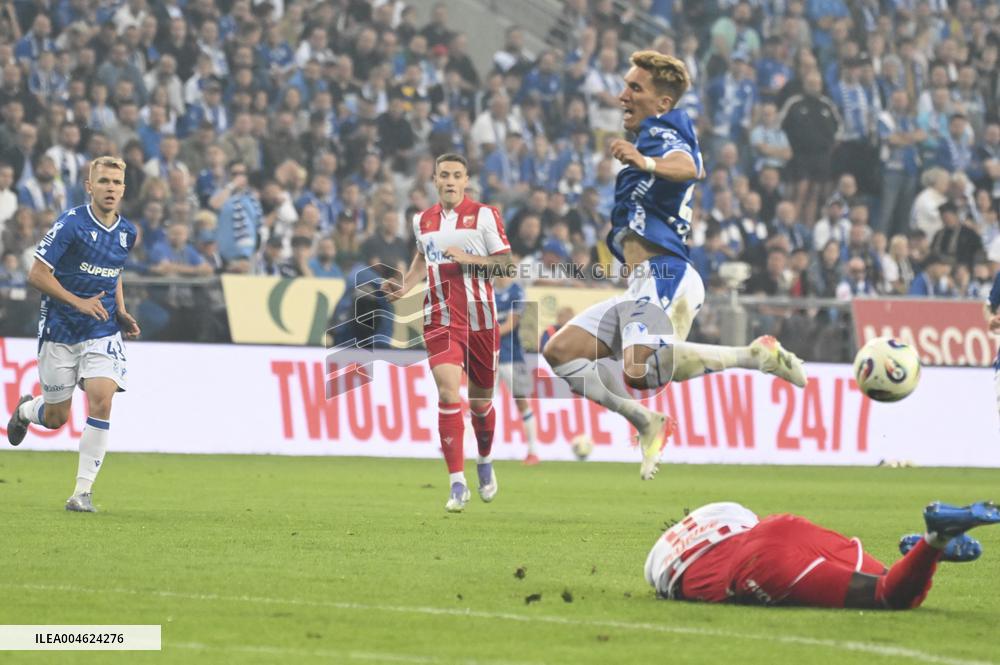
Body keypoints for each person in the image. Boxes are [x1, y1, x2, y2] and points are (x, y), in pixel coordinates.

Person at [541, 50, 806, 482]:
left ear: (662, 102)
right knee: (561, 352)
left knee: (639, 367)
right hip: (644, 282)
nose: (622, 94)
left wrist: (644, 162)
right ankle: (646, 421)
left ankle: (756, 354)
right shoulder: (649, 134)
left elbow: (690, 167)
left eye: (635, 88)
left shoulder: (664, 131)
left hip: (667, 272)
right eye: (626, 84)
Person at [6, 156, 141, 513]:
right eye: (104, 181)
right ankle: (25, 411)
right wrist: (77, 302)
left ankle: (81, 493)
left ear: (123, 188)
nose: (110, 188)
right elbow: (36, 274)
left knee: (102, 399)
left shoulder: (128, 231)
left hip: (102, 329)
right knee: (56, 418)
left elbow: (114, 272)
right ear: (89, 186)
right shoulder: (71, 224)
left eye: (116, 182)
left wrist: (121, 310)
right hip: (60, 329)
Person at [385, 153, 514, 513]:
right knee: (446, 392)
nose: (451, 181)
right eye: (444, 175)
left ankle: (485, 461)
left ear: (466, 180)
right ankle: (457, 483)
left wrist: (469, 259)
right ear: (436, 180)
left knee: (480, 404)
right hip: (440, 318)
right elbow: (422, 257)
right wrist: (405, 286)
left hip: (482, 322)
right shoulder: (422, 220)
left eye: (457, 175)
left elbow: (507, 265)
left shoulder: (485, 215)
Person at [644, 500, 1000, 608]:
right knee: (887, 581)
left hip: (762, 567)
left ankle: (936, 538)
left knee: (890, 599)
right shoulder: (716, 512)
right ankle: (927, 549)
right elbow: (749, 522)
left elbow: (665, 582)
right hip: (780, 527)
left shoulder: (659, 565)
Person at [493, 272, 539, 465]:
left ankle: (532, 452)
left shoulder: (516, 290)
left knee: (521, 402)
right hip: (490, 358)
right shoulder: (488, 291)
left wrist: (486, 335)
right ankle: (463, 450)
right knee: (480, 402)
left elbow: (512, 323)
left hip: (513, 357)